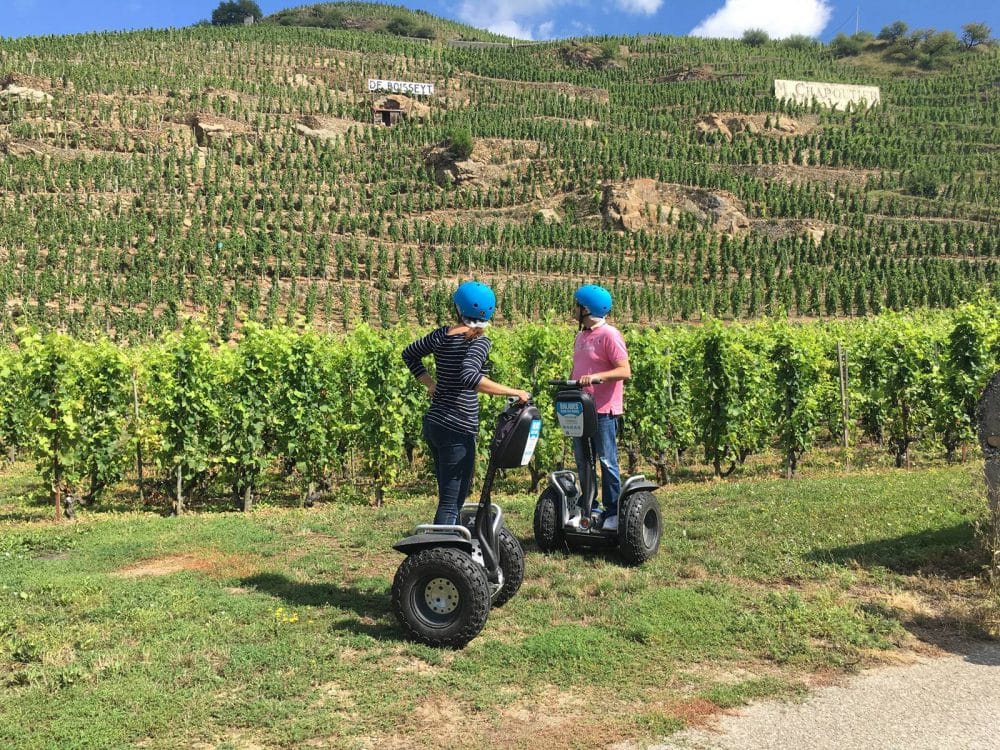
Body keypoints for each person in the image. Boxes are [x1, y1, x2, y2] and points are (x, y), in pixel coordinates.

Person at [402, 281, 530, 526]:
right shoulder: (479, 341)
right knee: (452, 501)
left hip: (435, 423)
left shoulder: (441, 334)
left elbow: (410, 353)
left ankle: (447, 542)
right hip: (457, 427)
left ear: (458, 308)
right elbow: (470, 377)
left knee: (448, 495)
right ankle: (442, 547)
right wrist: (513, 391)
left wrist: (430, 384)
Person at [569, 284, 631, 531]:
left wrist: (597, 377)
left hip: (604, 409)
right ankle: (589, 508)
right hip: (580, 408)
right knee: (583, 460)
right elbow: (578, 370)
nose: (573, 309)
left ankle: (613, 511)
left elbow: (624, 370)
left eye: (577, 305)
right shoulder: (581, 336)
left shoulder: (610, 335)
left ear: (587, 309)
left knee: (606, 461)